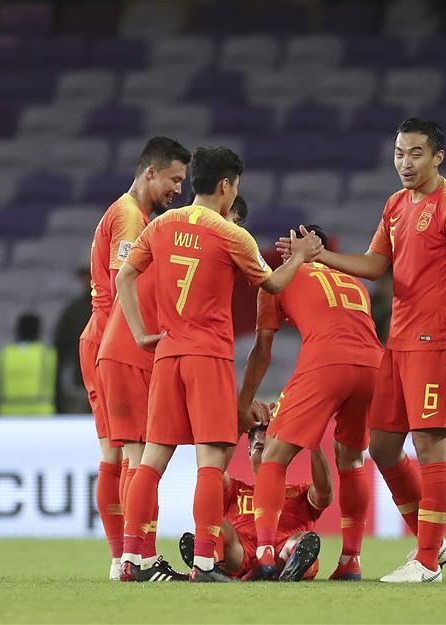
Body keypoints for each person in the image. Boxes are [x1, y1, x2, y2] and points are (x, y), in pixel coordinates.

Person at [276, 117, 446, 583]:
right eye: (398, 153)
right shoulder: (395, 205)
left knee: (429, 445)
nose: (405, 163)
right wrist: (318, 255)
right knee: (384, 447)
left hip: (436, 339)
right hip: (398, 342)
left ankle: (426, 561)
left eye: (415, 153)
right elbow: (374, 265)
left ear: (438, 157)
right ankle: (432, 541)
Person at [115, 146, 323, 583]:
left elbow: (124, 276)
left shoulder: (161, 225)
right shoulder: (231, 234)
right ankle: (205, 563)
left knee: (151, 460)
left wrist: (139, 333)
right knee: (211, 462)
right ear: (226, 185)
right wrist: (301, 255)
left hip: (167, 354)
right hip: (207, 356)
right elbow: (273, 283)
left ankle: (132, 559)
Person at [94, 195, 250, 582]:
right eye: (232, 219)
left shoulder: (163, 234)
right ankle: (151, 559)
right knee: (152, 459)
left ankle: (133, 558)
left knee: (138, 459)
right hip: (144, 352)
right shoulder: (213, 240)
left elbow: (121, 277)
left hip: (133, 350)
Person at [238, 223, 382, 581]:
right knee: (352, 459)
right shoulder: (353, 282)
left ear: (301, 247)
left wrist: (244, 401)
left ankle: (266, 552)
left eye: (289, 243)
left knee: (273, 453)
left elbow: (262, 351)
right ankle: (350, 560)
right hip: (374, 365)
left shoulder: (277, 279)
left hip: (326, 360)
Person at [78, 136, 191, 580]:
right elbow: (121, 282)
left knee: (116, 454)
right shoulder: (129, 217)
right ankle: (136, 555)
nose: (178, 189)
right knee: (138, 454)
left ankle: (120, 558)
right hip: (118, 340)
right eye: (173, 179)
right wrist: (140, 338)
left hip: (101, 340)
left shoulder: (128, 213)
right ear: (150, 172)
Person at [177, 425, 333, 581]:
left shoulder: (300, 492)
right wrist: (238, 429)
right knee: (217, 525)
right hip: (240, 553)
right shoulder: (234, 488)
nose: (267, 455)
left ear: (285, 453)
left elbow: (324, 493)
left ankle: (291, 571)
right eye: (260, 448)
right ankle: (208, 562)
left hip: (282, 554)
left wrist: (314, 446)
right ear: (249, 452)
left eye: (273, 448)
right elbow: (214, 469)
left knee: (304, 540)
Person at [0, 312, 56, 416]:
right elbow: (59, 392)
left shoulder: (0, 357)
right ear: (38, 331)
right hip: (41, 418)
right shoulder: (48, 356)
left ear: (18, 331)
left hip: (6, 417)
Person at [52, 265, 92, 414]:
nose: (89, 280)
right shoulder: (73, 311)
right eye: (86, 276)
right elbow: (59, 349)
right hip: (82, 383)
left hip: (112, 382)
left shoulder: (117, 305)